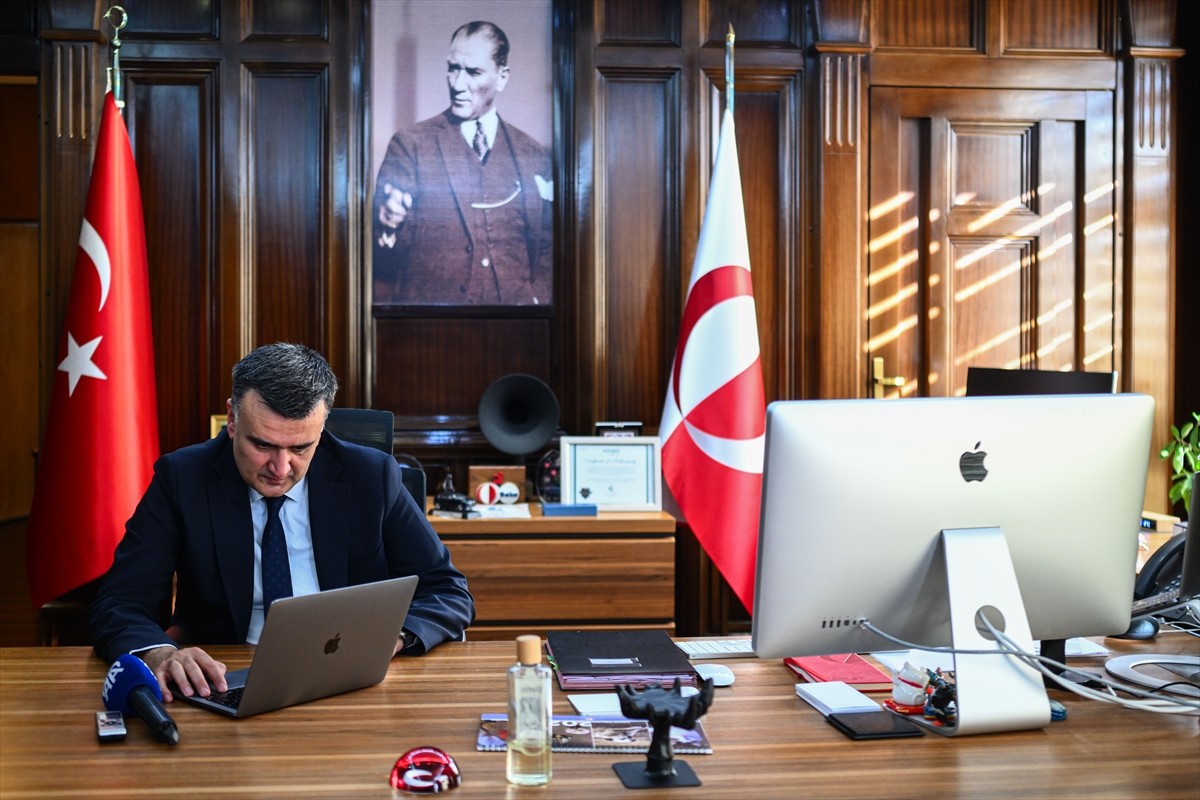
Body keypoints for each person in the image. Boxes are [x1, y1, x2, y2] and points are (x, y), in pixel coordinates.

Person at [88, 343, 474, 701]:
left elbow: (447, 590)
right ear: (233, 422)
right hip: (226, 677)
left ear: (321, 431)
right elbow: (120, 602)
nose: (280, 468)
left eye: (300, 448)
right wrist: (159, 653)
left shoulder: (370, 477)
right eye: (263, 445)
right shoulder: (183, 479)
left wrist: (392, 637)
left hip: (349, 680)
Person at [372, 20, 552, 305]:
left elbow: (547, 251)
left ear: (502, 76)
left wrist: (535, 302)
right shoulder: (410, 145)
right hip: (431, 331)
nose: (457, 83)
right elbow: (383, 259)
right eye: (453, 68)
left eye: (473, 72)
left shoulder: (532, 155)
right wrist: (388, 226)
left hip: (515, 333)